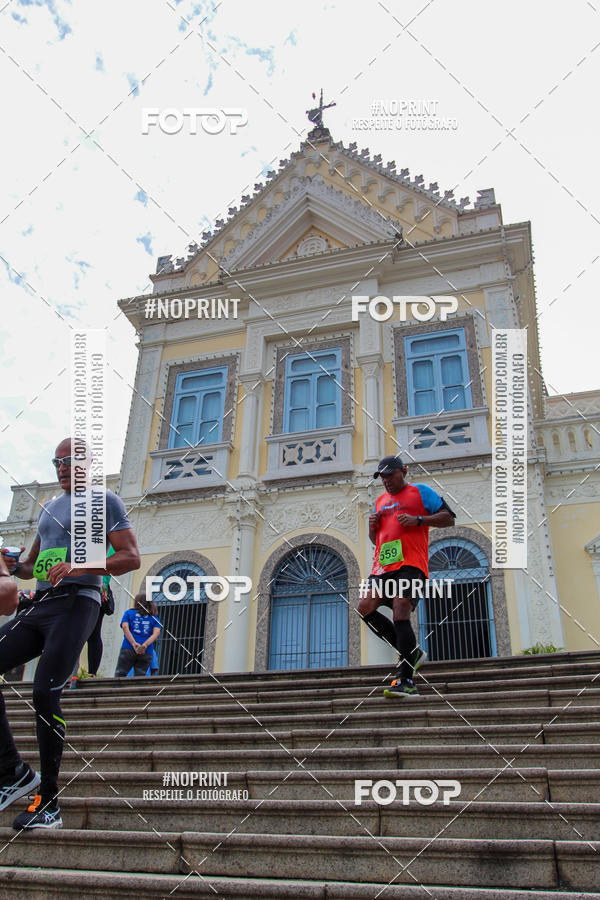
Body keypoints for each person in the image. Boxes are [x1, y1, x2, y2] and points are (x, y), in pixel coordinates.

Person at [0, 437, 140, 829]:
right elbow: (32, 566)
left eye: (71, 460)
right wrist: (11, 564)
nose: (63, 467)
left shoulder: (105, 501)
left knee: (44, 692)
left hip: (79, 601)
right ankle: (13, 772)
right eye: (57, 461)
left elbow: (131, 556)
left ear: (88, 463)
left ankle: (49, 802)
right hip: (41, 604)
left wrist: (80, 566)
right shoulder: (49, 507)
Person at [358, 455, 456, 697]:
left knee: (401, 607)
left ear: (403, 471)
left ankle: (406, 680)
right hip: (383, 567)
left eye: (390, 475)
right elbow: (377, 541)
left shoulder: (420, 492)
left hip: (411, 564)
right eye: (382, 477)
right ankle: (413, 654)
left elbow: (449, 518)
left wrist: (418, 520)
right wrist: (372, 529)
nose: (386, 481)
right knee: (364, 607)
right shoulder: (380, 501)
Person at [115, 593, 162, 677]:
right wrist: (144, 645)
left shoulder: (128, 613)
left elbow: (125, 627)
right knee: (140, 677)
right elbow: (156, 633)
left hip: (128, 647)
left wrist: (134, 643)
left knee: (120, 673)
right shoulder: (154, 617)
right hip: (146, 651)